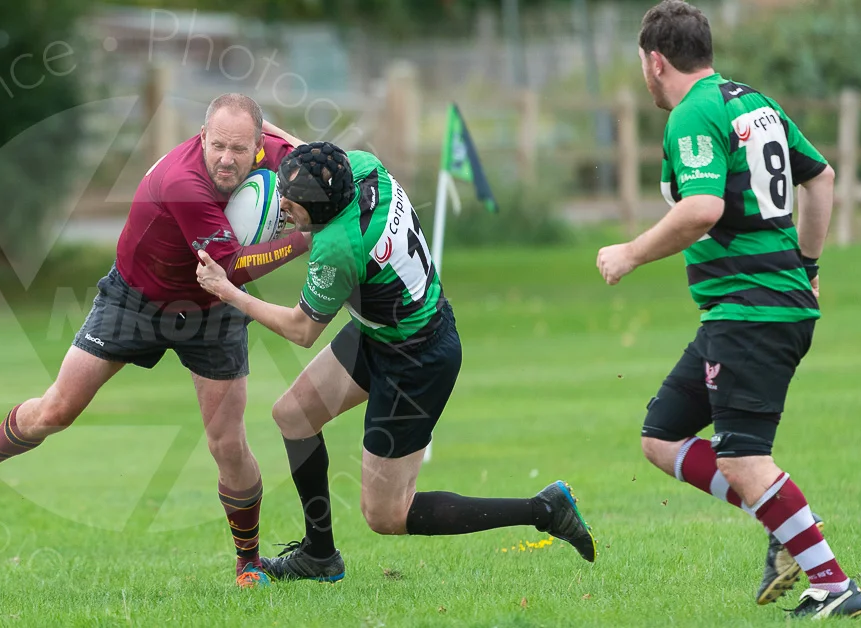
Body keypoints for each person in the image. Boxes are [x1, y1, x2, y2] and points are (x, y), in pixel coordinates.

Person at [0, 93, 310, 588]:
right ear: (203, 138)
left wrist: (334, 185)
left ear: (259, 146)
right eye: (217, 146)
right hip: (135, 299)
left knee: (227, 444)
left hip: (211, 310)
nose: (226, 159)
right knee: (57, 409)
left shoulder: (273, 149)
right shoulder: (183, 183)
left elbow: (323, 168)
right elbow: (228, 267)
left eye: (239, 148)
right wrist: (305, 239)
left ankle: (247, 563)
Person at [195, 141, 596, 584]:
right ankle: (319, 556)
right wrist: (252, 134)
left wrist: (228, 290)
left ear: (323, 211)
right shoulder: (362, 167)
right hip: (384, 328)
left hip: (417, 360)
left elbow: (301, 330)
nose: (283, 207)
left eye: (294, 205)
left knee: (387, 514)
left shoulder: (337, 246)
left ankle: (545, 510)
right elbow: (307, 157)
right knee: (294, 415)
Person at [596, 1, 861, 619]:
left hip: (751, 311)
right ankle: (786, 518)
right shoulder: (753, 102)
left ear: (655, 61)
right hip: (750, 308)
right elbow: (820, 177)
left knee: (743, 457)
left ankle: (831, 582)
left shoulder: (693, 113)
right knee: (661, 436)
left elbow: (702, 209)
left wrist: (630, 254)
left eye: (642, 63)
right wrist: (810, 266)